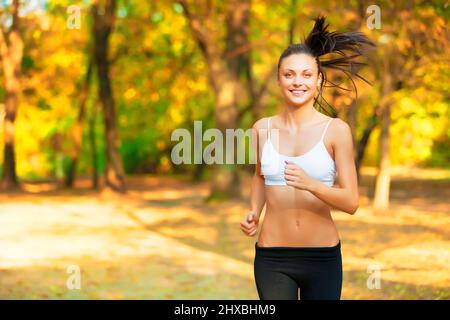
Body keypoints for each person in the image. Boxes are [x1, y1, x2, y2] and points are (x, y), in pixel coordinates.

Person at [240, 15, 375, 300]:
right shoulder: (261, 129)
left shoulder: (336, 131)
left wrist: (311, 184)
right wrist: (254, 211)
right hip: (272, 258)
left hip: (322, 258)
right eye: (289, 74)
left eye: (306, 74)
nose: (297, 82)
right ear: (279, 79)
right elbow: (260, 177)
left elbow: (351, 202)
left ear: (318, 79)